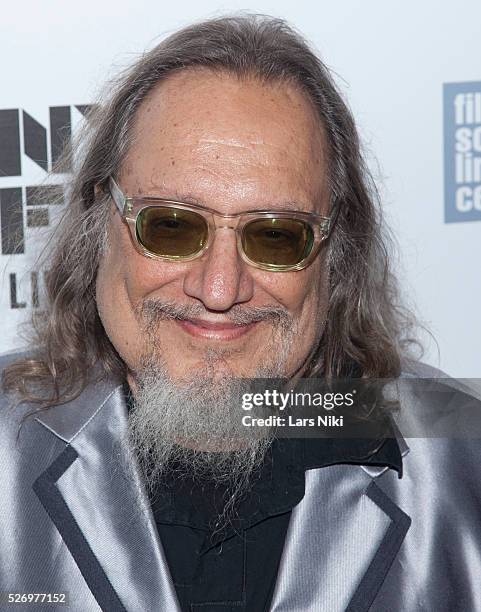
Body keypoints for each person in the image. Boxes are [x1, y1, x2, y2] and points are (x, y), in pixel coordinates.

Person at [1, 14, 480, 612]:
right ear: (102, 221)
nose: (220, 288)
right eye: (171, 225)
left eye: (277, 236)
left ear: (336, 253)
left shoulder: (461, 468)